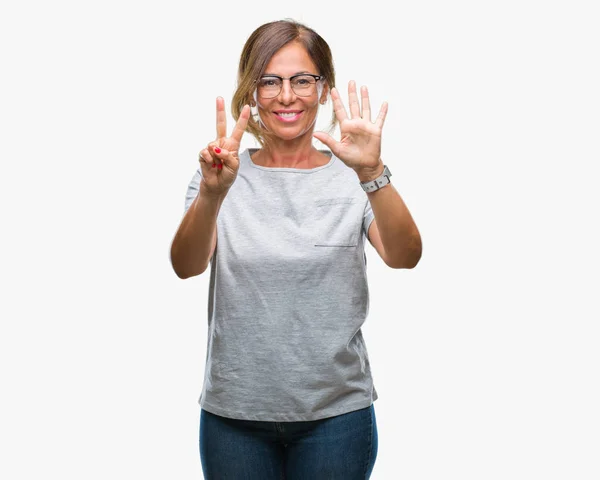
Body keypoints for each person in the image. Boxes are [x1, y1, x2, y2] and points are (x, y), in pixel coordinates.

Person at [170, 18, 422, 479]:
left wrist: (373, 173)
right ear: (251, 91)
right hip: (234, 417)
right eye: (270, 81)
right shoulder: (218, 173)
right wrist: (211, 194)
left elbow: (405, 255)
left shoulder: (354, 178)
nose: (287, 96)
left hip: (336, 418)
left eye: (302, 80)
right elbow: (186, 266)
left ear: (323, 89)